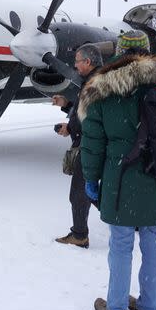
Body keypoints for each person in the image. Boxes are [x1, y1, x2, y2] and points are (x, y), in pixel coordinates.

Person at [78, 29, 156, 310]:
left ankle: (115, 308)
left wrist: (90, 178)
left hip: (121, 181)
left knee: (121, 243)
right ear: (146, 50)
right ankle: (149, 306)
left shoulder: (102, 90)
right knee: (153, 242)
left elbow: (93, 143)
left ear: (119, 50)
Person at [52, 43, 105, 249]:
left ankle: (80, 235)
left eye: (77, 62)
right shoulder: (95, 81)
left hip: (89, 145)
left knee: (79, 192)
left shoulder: (94, 84)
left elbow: (89, 118)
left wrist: (70, 128)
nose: (75, 66)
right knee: (89, 191)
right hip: (91, 143)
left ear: (88, 62)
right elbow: (84, 112)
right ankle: (129, 219)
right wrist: (66, 105)